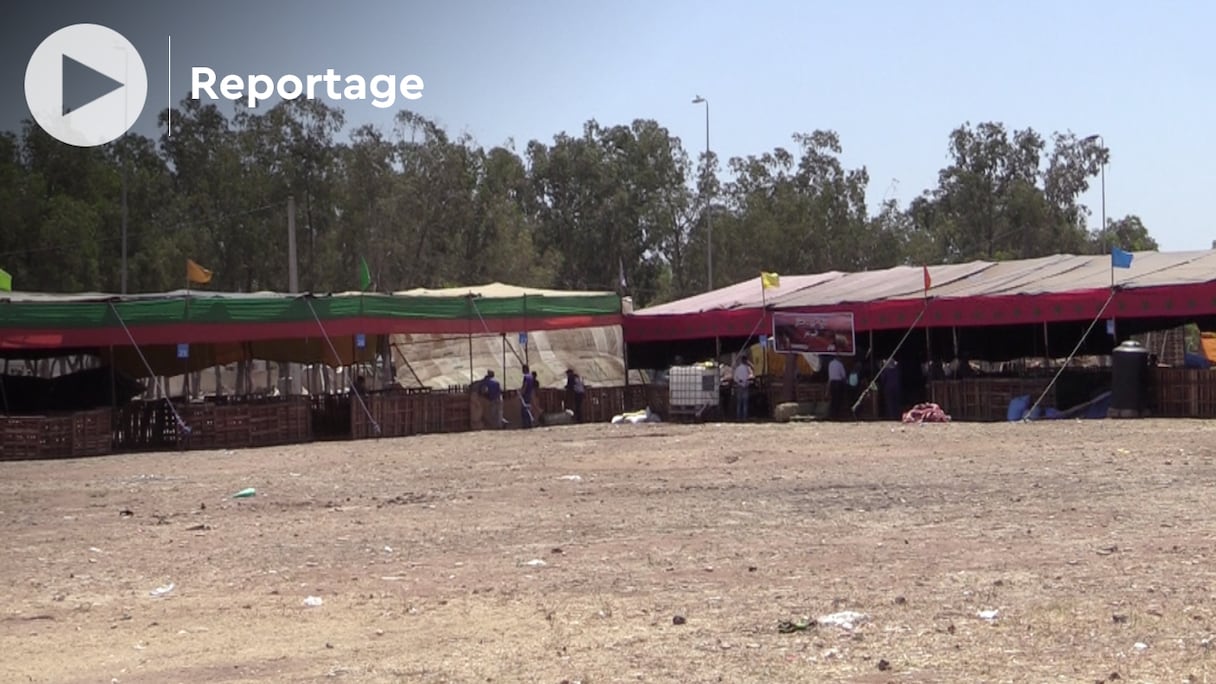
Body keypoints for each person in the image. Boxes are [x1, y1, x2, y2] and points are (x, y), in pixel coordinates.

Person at [827, 355, 847, 419]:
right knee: (838, 399)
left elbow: (830, 375)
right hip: (838, 383)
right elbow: (843, 375)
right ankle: (836, 414)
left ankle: (832, 414)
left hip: (832, 382)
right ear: (839, 358)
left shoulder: (830, 363)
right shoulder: (840, 364)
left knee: (833, 399)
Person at [733, 355, 752, 420]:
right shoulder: (747, 368)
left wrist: (739, 381)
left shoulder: (738, 368)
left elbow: (735, 378)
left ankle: (738, 417)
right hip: (745, 386)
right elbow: (751, 376)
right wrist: (747, 382)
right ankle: (744, 417)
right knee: (745, 403)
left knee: (739, 402)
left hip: (739, 386)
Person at [520, 364, 536, 429]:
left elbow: (525, 386)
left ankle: (526, 424)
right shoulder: (531, 376)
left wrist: (521, 392)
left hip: (525, 395)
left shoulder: (526, 377)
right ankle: (529, 424)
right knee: (528, 409)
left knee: (524, 410)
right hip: (529, 394)